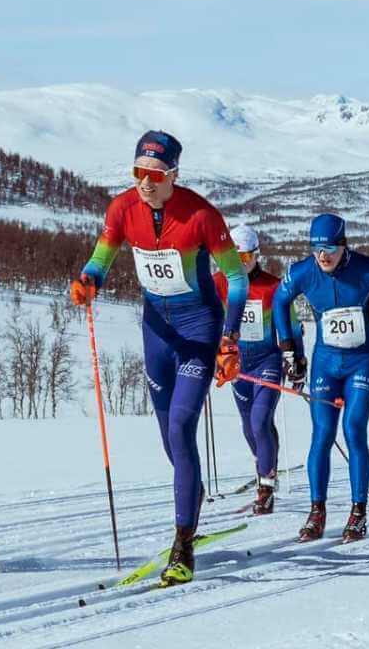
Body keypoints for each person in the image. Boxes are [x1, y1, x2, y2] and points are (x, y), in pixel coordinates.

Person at [70, 130, 248, 585]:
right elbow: (102, 258)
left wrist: (229, 340)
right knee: (171, 441)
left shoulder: (201, 215)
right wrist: (89, 280)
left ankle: (182, 543)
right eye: (137, 172)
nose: (145, 182)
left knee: (181, 425)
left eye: (154, 174)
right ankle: (192, 496)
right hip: (156, 330)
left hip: (198, 328)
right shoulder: (122, 208)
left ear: (173, 175)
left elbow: (237, 279)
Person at [272, 213, 369, 544]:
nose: (322, 256)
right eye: (316, 249)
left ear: (344, 245)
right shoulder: (303, 272)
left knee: (353, 430)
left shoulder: (367, 269)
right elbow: (279, 302)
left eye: (330, 249)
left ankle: (358, 512)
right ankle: (317, 510)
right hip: (325, 364)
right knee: (321, 434)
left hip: (360, 363)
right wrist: (289, 350)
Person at [215, 224, 287, 515]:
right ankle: (266, 465)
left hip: (268, 361)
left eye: (245, 258)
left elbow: (290, 325)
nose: (239, 264)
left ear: (257, 256)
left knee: (260, 422)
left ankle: (266, 487)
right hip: (238, 367)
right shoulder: (218, 283)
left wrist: (295, 355)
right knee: (250, 427)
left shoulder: (272, 286)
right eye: (233, 259)